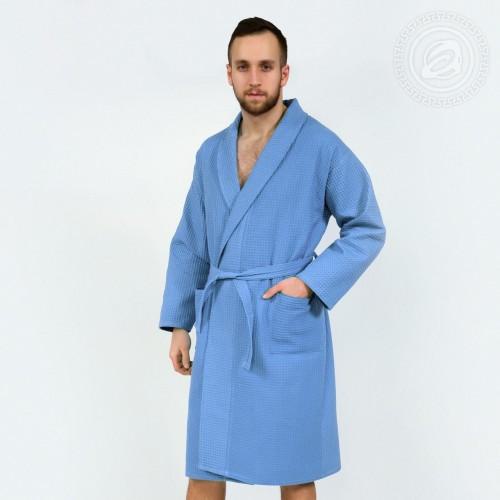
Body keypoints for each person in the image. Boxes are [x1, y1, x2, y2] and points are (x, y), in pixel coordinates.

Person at [158, 16, 386, 500]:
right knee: (205, 467)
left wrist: (308, 284)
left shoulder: (320, 146)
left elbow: (366, 226)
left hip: (283, 320)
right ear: (229, 73)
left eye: (265, 66)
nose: (254, 78)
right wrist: (180, 322)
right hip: (223, 324)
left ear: (284, 73)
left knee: (295, 468)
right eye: (243, 66)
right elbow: (190, 241)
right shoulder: (211, 153)